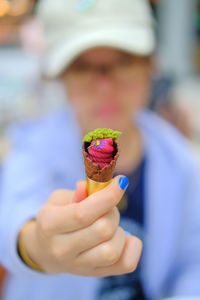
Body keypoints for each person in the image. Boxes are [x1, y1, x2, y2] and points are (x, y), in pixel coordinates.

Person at [0, 0, 200, 300]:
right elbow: (13, 218)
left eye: (122, 61)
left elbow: (192, 264)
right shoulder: (32, 150)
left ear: (150, 65)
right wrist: (39, 245)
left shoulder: (180, 159)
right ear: (60, 76)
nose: (105, 86)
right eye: (82, 66)